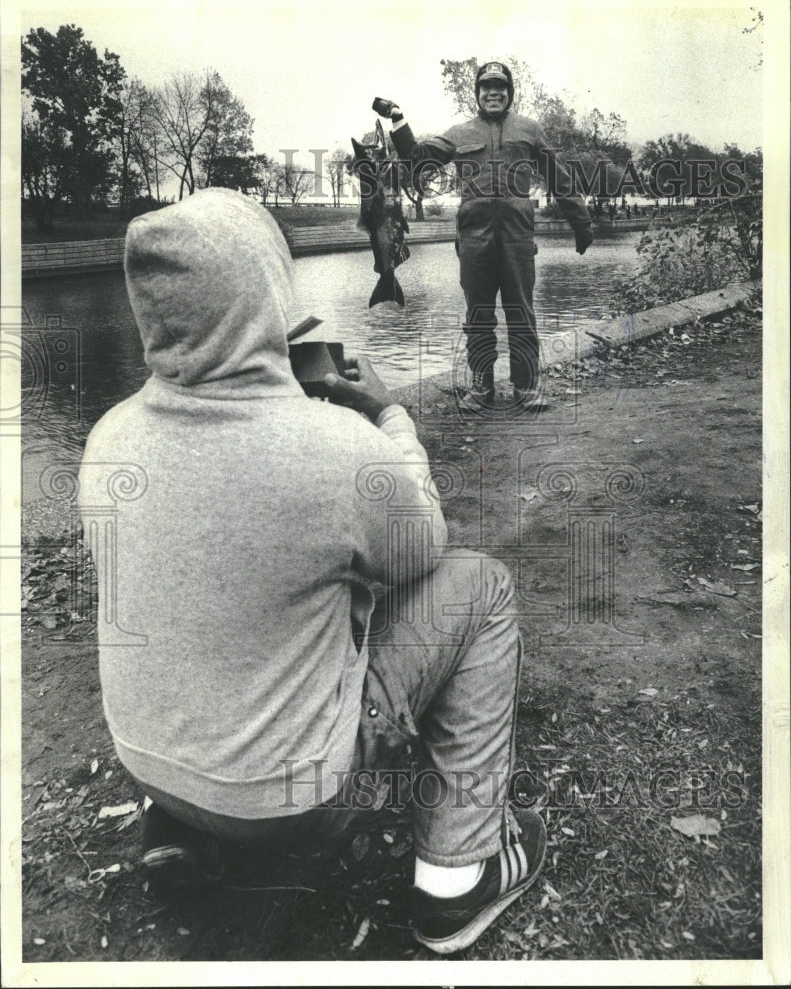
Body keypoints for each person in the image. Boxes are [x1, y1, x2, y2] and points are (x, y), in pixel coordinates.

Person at [78, 188, 546, 956]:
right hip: (287, 798)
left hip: (152, 765)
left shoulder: (108, 436)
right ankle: (456, 877)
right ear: (267, 297)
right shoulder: (331, 449)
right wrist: (385, 418)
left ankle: (186, 832)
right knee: (480, 585)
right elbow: (420, 552)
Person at [375, 61, 593, 415]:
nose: (494, 92)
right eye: (486, 87)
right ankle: (482, 386)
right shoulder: (460, 133)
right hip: (474, 240)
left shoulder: (530, 130)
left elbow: (559, 178)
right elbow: (417, 158)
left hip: (518, 238)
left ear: (510, 92)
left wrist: (581, 224)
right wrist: (398, 119)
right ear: (476, 93)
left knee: (521, 312)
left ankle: (526, 385)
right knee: (478, 315)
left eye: (501, 87)